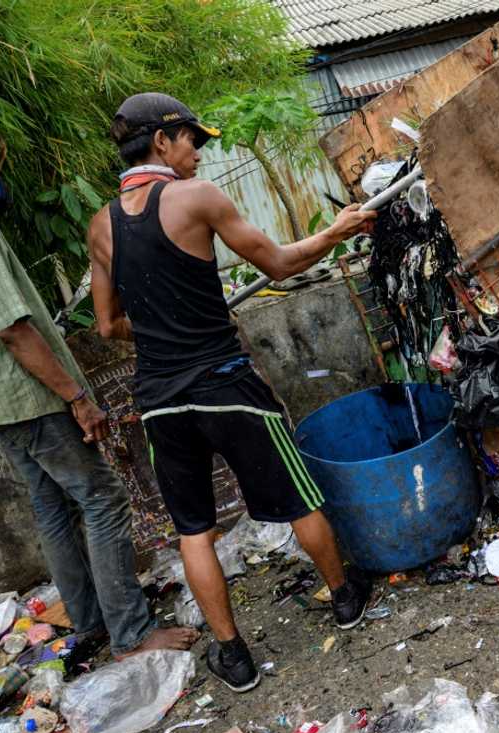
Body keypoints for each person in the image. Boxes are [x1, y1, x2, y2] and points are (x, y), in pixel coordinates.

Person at [86, 93, 377, 693]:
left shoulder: (100, 224)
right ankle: (345, 599)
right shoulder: (196, 198)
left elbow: (109, 326)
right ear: (162, 141)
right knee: (299, 499)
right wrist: (338, 230)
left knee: (194, 531)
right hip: (226, 384)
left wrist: (164, 330)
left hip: (162, 400)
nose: (198, 153)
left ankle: (234, 657)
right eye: (192, 140)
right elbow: (277, 264)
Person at [0, 114, 198, 659]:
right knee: (104, 498)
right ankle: (131, 633)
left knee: (52, 505)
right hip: (25, 394)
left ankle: (90, 620)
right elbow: (13, 329)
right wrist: (77, 397)